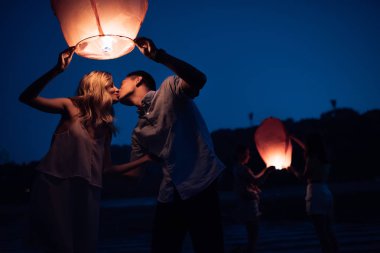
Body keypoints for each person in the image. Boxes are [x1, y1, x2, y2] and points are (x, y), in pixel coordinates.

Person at [117, 37, 225, 253]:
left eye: (122, 82)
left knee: (209, 248)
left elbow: (199, 79)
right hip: (169, 194)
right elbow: (134, 176)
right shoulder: (138, 132)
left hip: (200, 184)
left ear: (138, 80)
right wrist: (102, 163)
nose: (118, 87)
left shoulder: (169, 89)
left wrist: (159, 56)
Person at [19, 47, 119, 253]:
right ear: (98, 89)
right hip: (55, 185)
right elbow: (27, 98)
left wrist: (147, 159)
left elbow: (107, 169)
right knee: (58, 245)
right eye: (111, 86)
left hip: (89, 190)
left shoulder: (106, 128)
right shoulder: (69, 106)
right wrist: (57, 70)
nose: (117, 89)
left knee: (84, 247)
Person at [288, 133, 339, 253]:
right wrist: (294, 138)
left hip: (315, 193)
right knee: (329, 230)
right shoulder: (325, 157)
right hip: (326, 191)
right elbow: (305, 148)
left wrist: (292, 170)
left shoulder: (311, 159)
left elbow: (303, 177)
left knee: (321, 233)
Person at [232, 144, 274, 253]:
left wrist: (265, 170)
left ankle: (241, 250)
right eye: (247, 154)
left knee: (252, 235)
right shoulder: (242, 169)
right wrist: (267, 172)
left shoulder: (237, 168)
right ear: (240, 154)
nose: (249, 156)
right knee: (253, 237)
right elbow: (256, 181)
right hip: (249, 206)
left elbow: (253, 179)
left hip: (244, 205)